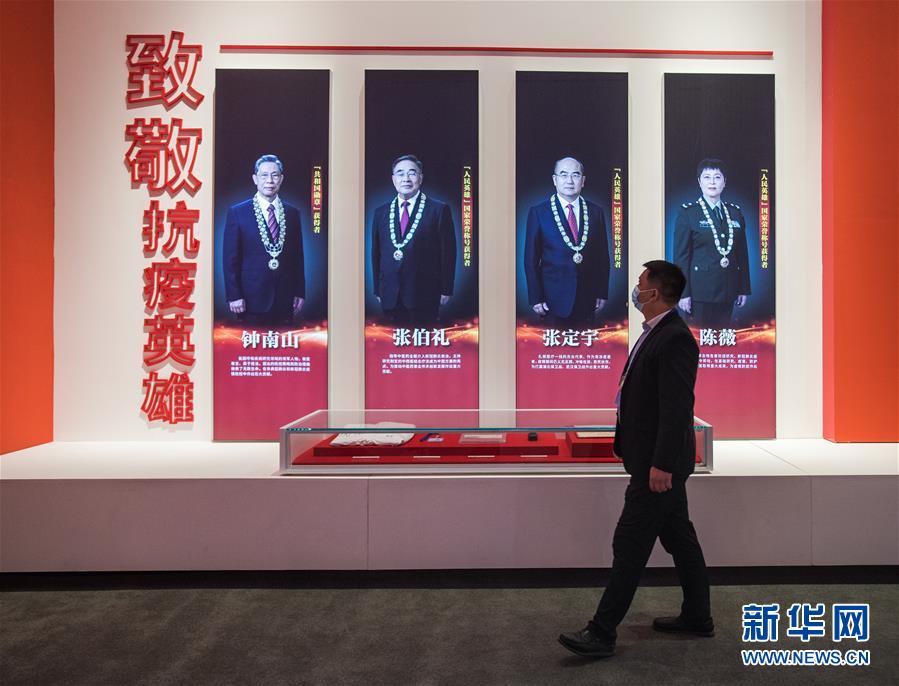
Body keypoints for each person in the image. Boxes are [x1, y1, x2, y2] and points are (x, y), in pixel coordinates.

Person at [559, 260, 713, 659]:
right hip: (651, 460)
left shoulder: (674, 338)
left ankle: (601, 631)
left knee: (629, 543)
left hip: (657, 468)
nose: (636, 290)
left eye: (640, 284)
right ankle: (698, 616)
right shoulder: (656, 332)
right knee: (680, 539)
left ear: (654, 293)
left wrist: (662, 464)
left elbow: (676, 407)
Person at [524, 157, 610, 328]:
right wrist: (535, 297)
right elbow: (530, 259)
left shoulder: (596, 212)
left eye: (575, 175)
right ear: (554, 179)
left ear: (583, 181)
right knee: (557, 343)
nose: (569, 181)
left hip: (588, 297)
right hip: (551, 299)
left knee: (585, 342)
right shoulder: (539, 212)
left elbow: (602, 257)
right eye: (563, 175)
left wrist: (602, 291)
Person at [371, 155, 457, 326]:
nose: (406, 179)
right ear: (393, 179)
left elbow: (448, 253)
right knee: (393, 341)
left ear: (420, 178)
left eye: (412, 173)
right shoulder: (380, 213)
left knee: (421, 340)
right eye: (400, 173)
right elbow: (376, 254)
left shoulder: (438, 210)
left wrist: (446, 288)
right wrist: (378, 289)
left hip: (425, 293)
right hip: (390, 294)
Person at [222, 154, 305, 327]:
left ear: (281, 179)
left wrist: (299, 291)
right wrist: (234, 295)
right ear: (255, 179)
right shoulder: (238, 213)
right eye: (264, 175)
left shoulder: (292, 213)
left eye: (275, 175)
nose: (269, 181)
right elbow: (230, 259)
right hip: (250, 299)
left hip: (285, 298)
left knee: (284, 343)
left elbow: (297, 256)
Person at [673, 159, 750, 329]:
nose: (712, 182)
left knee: (722, 340)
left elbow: (742, 253)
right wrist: (683, 292)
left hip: (728, 290)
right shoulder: (688, 213)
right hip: (699, 294)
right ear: (699, 182)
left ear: (724, 182)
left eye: (717, 177)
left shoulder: (735, 213)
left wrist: (743, 288)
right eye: (707, 177)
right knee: (699, 340)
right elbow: (681, 257)